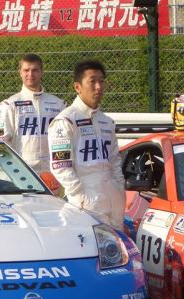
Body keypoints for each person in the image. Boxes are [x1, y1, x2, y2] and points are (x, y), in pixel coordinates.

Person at [47, 59, 124, 230]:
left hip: (112, 198)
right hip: (85, 200)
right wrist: (80, 195)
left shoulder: (106, 121)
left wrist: (119, 189)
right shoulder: (66, 120)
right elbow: (60, 166)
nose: (98, 87)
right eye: (92, 81)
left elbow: (115, 162)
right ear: (77, 87)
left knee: (118, 251)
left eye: (101, 81)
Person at [0, 53, 66, 174]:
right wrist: (13, 170)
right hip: (23, 173)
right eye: (26, 70)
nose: (30, 74)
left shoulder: (59, 104)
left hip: (53, 172)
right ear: (20, 72)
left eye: (35, 70)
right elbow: (1, 144)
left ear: (42, 72)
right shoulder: (8, 105)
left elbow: (65, 140)